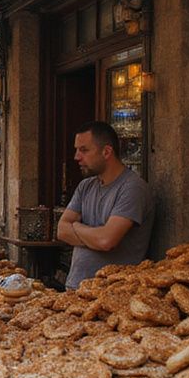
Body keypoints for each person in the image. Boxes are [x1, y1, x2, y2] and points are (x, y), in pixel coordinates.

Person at [56, 121, 154, 290]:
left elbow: (107, 240)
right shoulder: (85, 186)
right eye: (77, 149)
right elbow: (61, 231)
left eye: (84, 150)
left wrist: (77, 227)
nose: (76, 157)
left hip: (111, 293)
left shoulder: (132, 188)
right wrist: (94, 235)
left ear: (107, 151)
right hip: (75, 289)